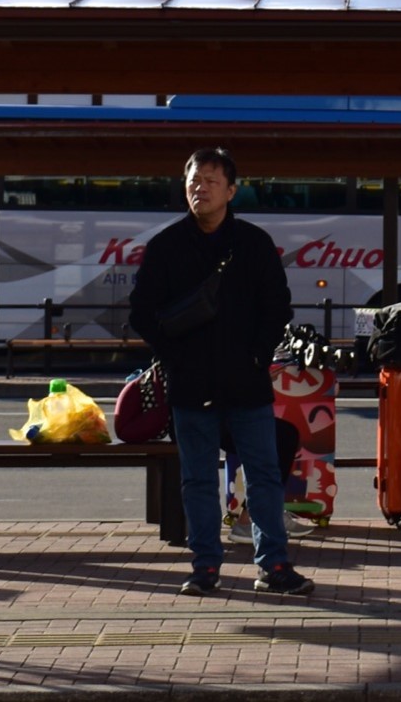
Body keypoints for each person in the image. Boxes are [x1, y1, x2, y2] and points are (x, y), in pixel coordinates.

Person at [130, 147, 309, 598]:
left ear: (231, 190)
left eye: (210, 180)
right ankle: (205, 566)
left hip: (246, 383)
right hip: (190, 384)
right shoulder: (166, 246)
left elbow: (277, 307)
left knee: (265, 475)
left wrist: (255, 355)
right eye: (193, 180)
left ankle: (274, 566)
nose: (199, 188)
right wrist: (175, 357)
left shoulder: (253, 244)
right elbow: (141, 313)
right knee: (197, 479)